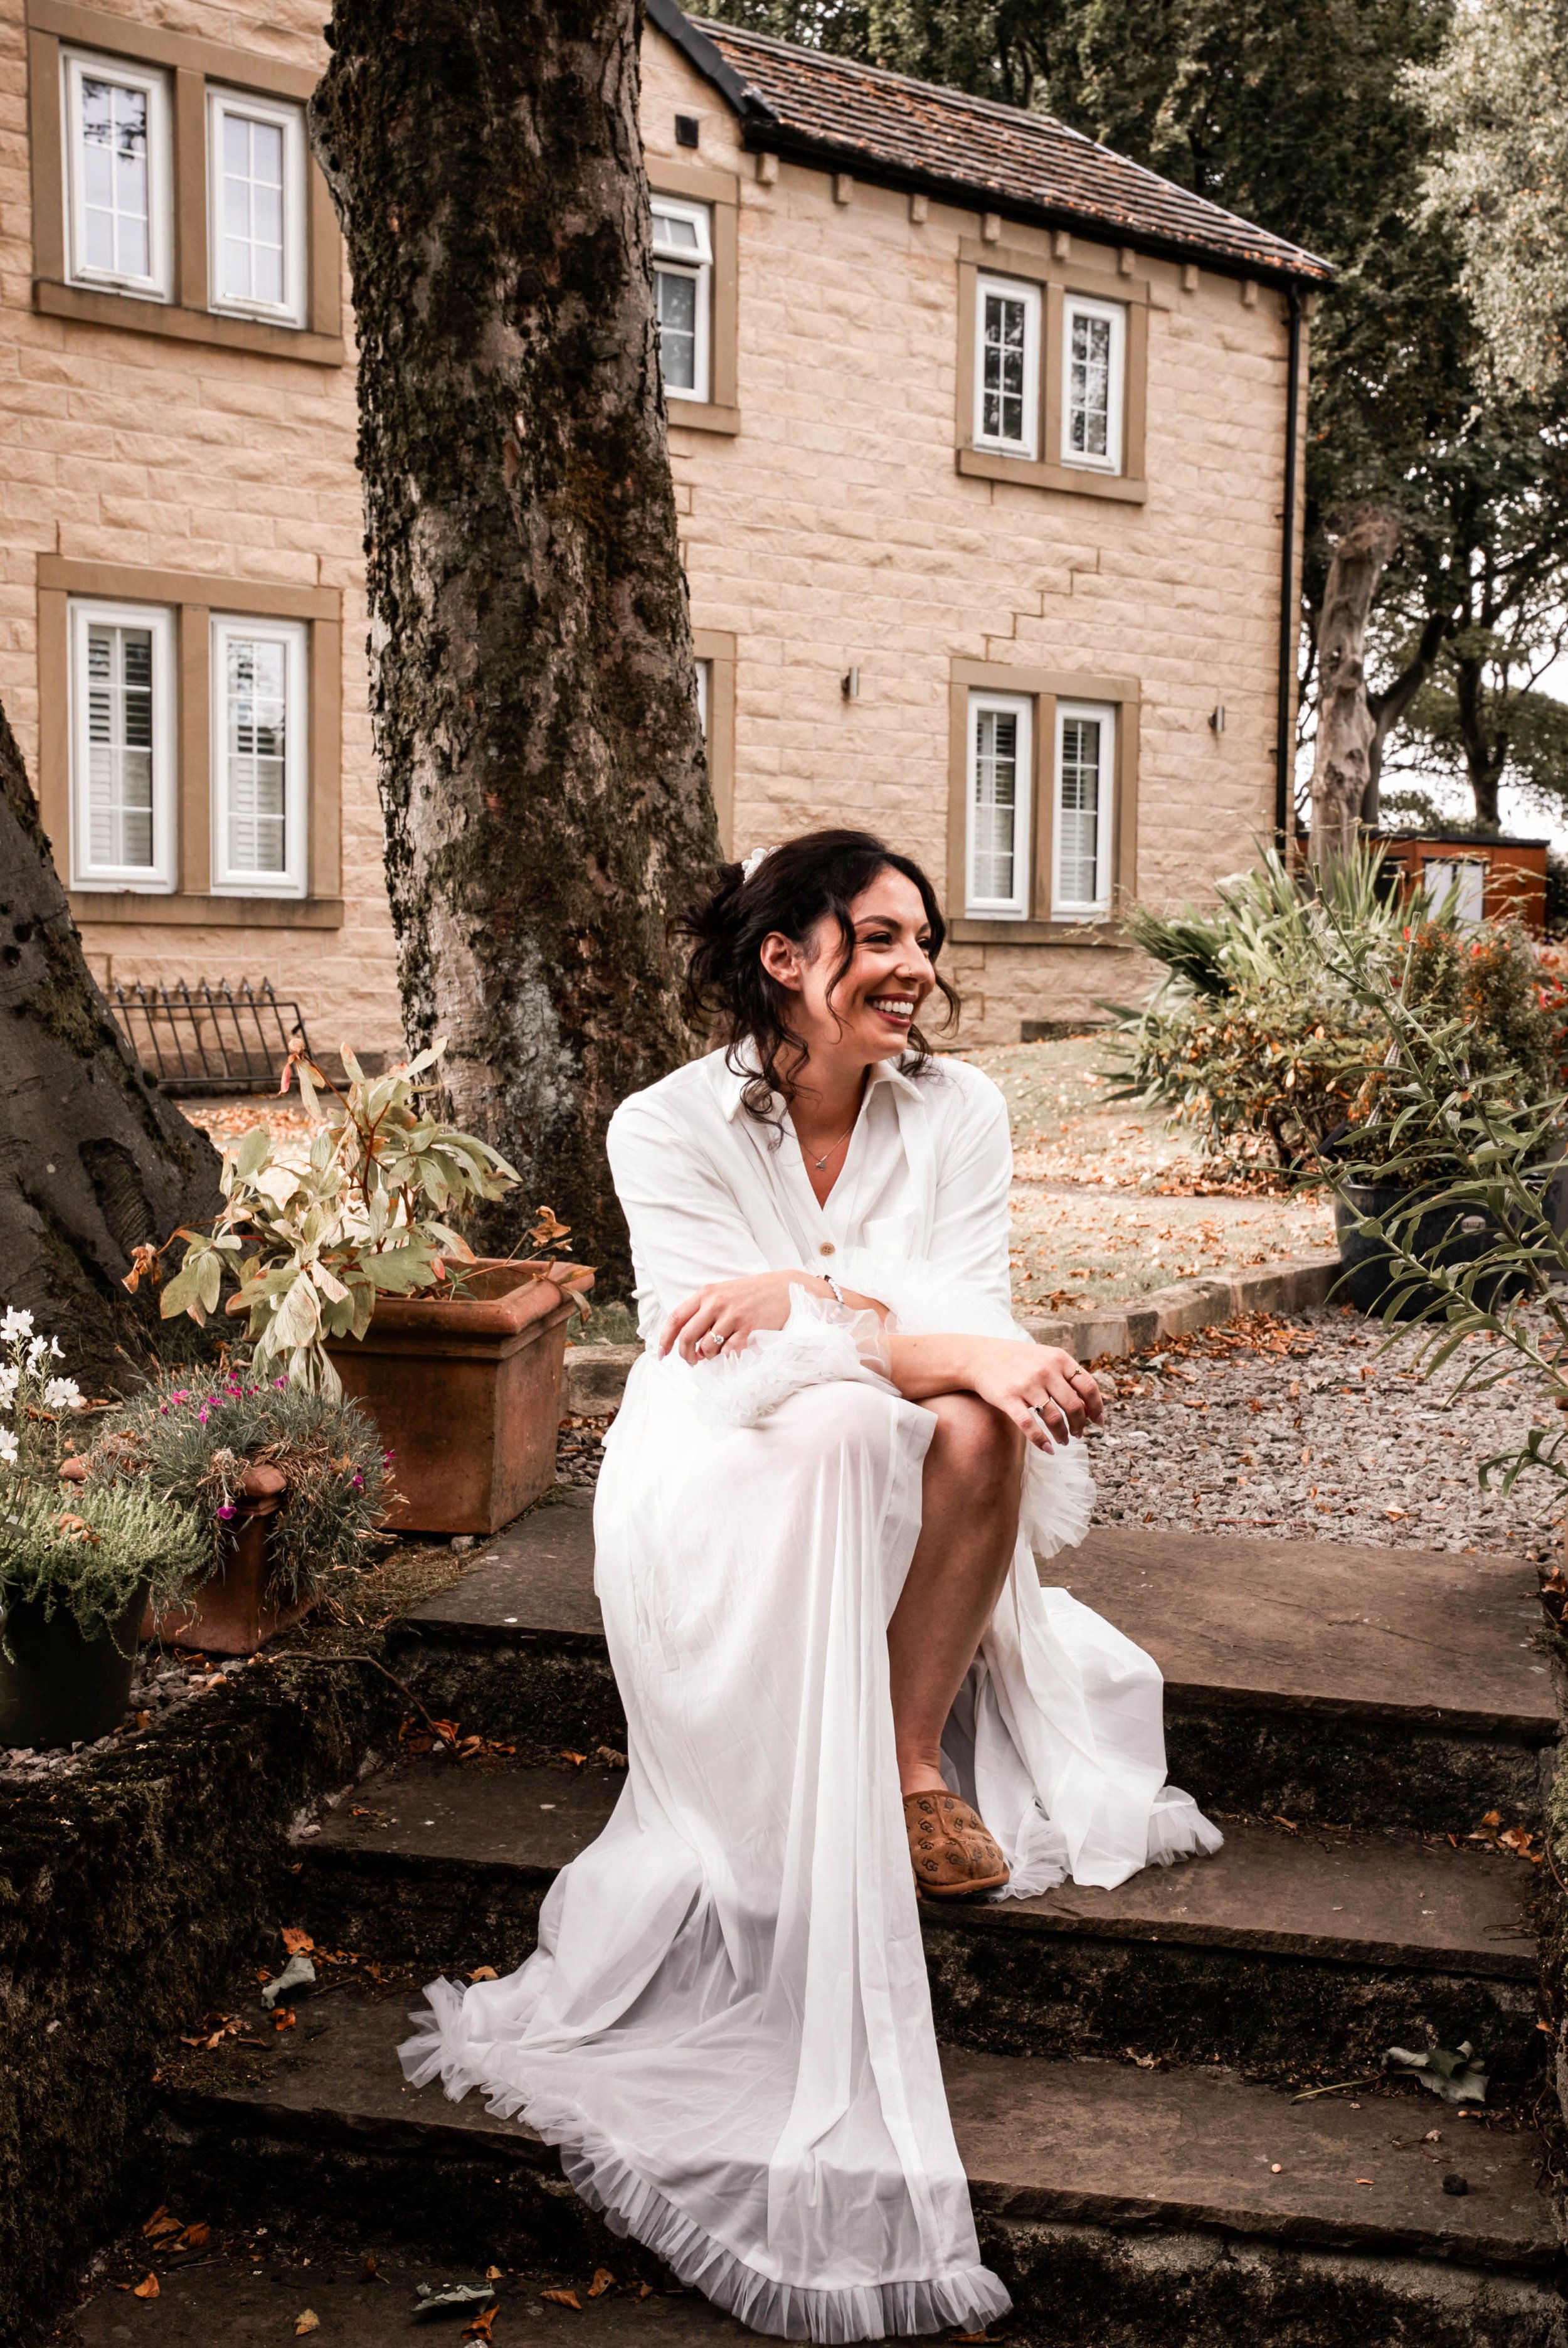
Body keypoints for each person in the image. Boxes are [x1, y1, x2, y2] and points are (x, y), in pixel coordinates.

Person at [401, 829, 1220, 2340]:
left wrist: (817, 1297)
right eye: (883, 940)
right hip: (712, 1456)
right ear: (785, 957)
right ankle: (778, 1788)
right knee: (857, 1409)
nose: (917, 971)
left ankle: (909, 1762)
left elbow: (961, 1311)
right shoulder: (663, 1125)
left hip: (898, 1427)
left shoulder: (960, 1107)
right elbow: (730, 1354)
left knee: (970, 1416)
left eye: (925, 943)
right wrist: (851, 1320)